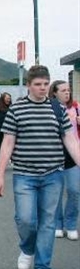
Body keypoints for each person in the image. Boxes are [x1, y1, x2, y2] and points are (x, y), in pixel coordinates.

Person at [0, 65, 80, 269]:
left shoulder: (57, 109)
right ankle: (27, 248)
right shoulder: (17, 109)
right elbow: (7, 143)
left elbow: (70, 140)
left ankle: (43, 267)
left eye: (45, 84)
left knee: (48, 221)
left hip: (53, 174)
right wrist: (0, 175)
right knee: (26, 220)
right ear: (28, 85)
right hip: (24, 175)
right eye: (38, 84)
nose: (43, 88)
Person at [48, 80, 80, 241]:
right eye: (63, 90)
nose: (67, 93)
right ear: (54, 92)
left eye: (68, 90)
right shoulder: (48, 108)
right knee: (56, 193)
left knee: (75, 191)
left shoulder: (76, 107)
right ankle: (58, 224)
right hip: (55, 154)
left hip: (73, 155)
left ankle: (71, 224)